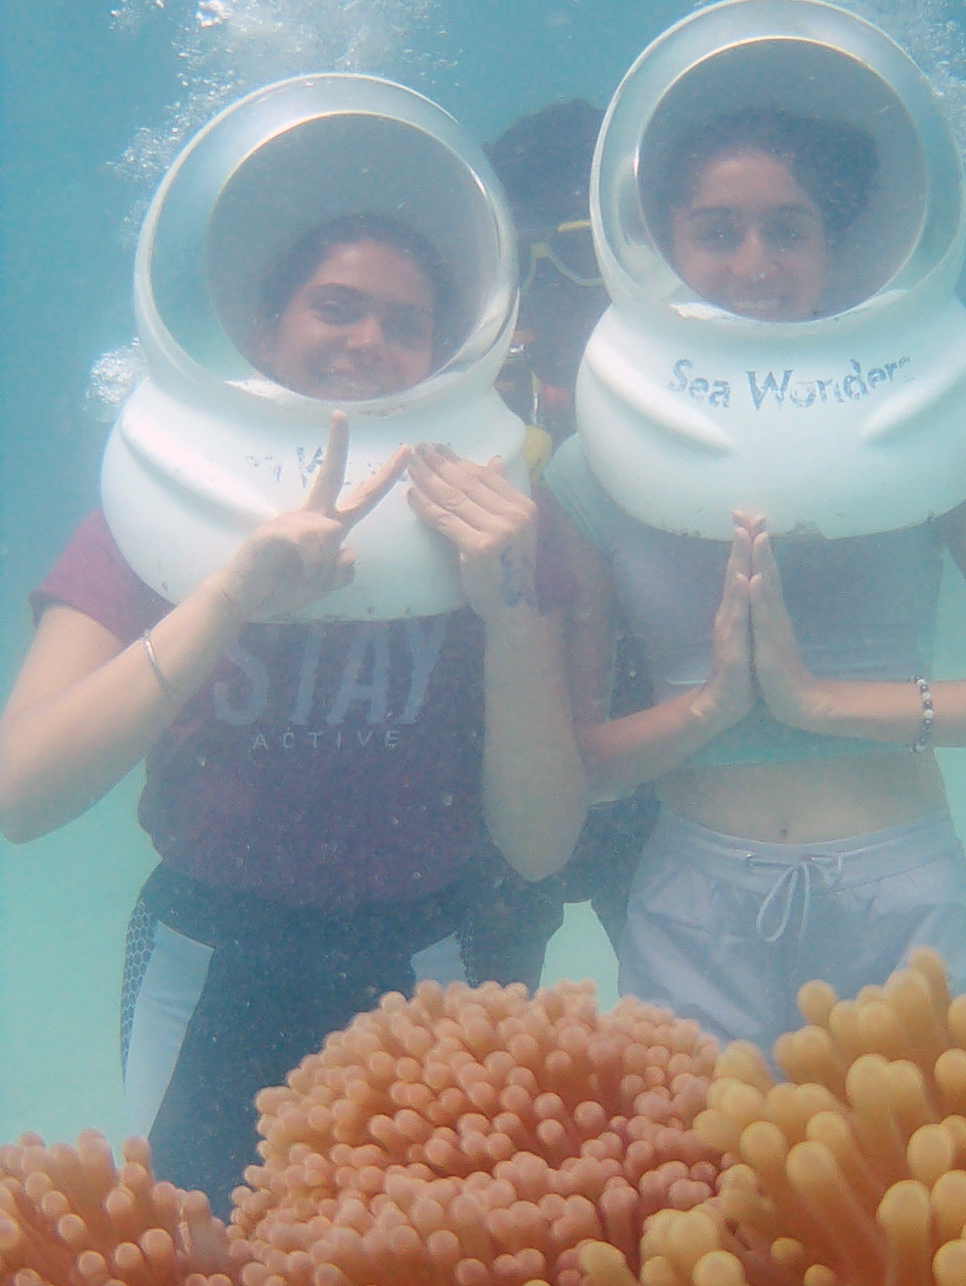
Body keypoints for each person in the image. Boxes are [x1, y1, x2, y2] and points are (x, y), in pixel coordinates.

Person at [0, 211, 585, 1209]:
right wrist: (226, 597)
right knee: (195, 1276)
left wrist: (512, 611)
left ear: (444, 358)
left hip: (428, 946)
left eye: (406, 324)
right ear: (262, 331)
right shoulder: (152, 515)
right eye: (335, 306)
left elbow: (539, 843)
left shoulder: (501, 527)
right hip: (208, 951)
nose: (367, 341)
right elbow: (20, 794)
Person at [545, 107, 966, 1052]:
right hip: (689, 901)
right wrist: (717, 705)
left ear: (832, 247)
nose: (755, 260)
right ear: (660, 250)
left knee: (911, 1200)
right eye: (718, 231)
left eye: (788, 228)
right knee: (692, 1200)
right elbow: (581, 771)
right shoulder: (592, 466)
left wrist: (823, 703)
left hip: (899, 889)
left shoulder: (936, 442)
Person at [452, 103, 659, 989]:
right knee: (487, 1093)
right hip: (483, 799)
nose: (544, 293)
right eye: (518, 262)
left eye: (576, 256)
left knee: (701, 1072)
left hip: (662, 776)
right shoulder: (449, 385)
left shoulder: (692, 403)